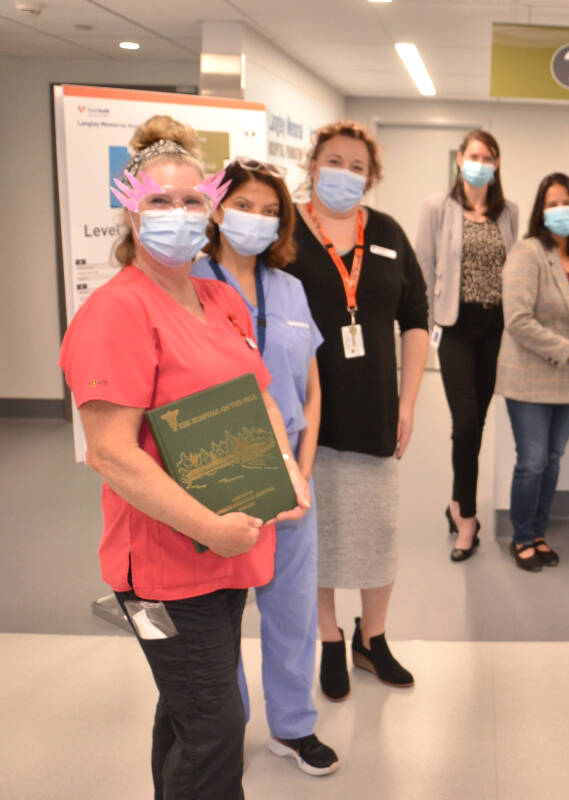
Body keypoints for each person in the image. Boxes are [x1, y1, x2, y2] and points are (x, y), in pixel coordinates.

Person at [58, 115, 310, 799]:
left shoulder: (218, 298)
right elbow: (110, 454)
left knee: (187, 710)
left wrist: (286, 471)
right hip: (163, 569)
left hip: (228, 550)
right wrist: (209, 528)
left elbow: (256, 396)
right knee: (217, 722)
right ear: (131, 212)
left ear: (212, 209)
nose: (178, 215)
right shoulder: (117, 312)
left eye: (192, 201)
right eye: (159, 203)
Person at [191, 158, 337, 775]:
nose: (257, 218)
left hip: (294, 475)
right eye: (244, 205)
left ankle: (293, 727)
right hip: (221, 472)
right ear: (217, 209)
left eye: (270, 210)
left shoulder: (291, 287)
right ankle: (231, 729)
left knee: (292, 611)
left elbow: (311, 389)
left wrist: (301, 472)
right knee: (222, 617)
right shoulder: (188, 282)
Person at [287, 120, 430, 701]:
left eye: (357, 166)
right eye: (334, 161)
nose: (345, 173)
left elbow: (416, 319)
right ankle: (327, 639)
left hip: (374, 408)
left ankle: (372, 639)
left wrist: (409, 401)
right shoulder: (286, 231)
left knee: (377, 531)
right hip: (306, 412)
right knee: (316, 532)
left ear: (370, 177)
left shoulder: (389, 232)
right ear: (313, 164)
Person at [415, 130, 519, 561]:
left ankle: (457, 503)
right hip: (454, 327)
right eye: (474, 155)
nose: (481, 162)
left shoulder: (509, 211)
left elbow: (516, 267)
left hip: (496, 328)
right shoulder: (437, 207)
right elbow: (423, 268)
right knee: (466, 420)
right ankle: (468, 519)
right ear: (460, 160)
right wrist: (420, 332)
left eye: (488, 156)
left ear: (496, 164)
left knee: (476, 424)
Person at [496, 173, 569, 572]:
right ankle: (521, 537)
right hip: (529, 377)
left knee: (553, 459)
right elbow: (518, 320)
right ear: (541, 211)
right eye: (552, 203)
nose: (560, 210)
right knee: (532, 461)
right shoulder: (527, 252)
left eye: (567, 202)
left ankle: (539, 533)